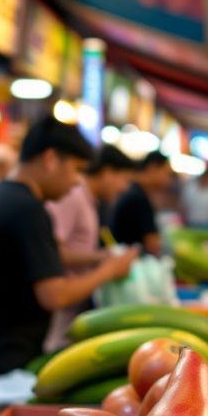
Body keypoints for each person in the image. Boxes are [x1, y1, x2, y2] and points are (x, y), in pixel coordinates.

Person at [0, 118, 137, 416]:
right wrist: (109, 271)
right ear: (50, 159)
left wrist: (96, 259)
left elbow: (44, 255)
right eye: (75, 170)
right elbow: (53, 294)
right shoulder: (29, 210)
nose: (76, 183)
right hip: (1, 363)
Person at [44, 143, 136, 351]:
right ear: (107, 172)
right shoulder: (72, 196)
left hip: (74, 307)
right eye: (124, 180)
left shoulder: (90, 201)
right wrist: (104, 262)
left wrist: (103, 257)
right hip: (59, 311)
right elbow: (53, 252)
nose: (124, 188)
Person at [111, 151, 173, 256]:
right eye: (167, 173)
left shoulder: (137, 192)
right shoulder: (138, 199)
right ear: (153, 167)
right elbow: (152, 245)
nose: (169, 179)